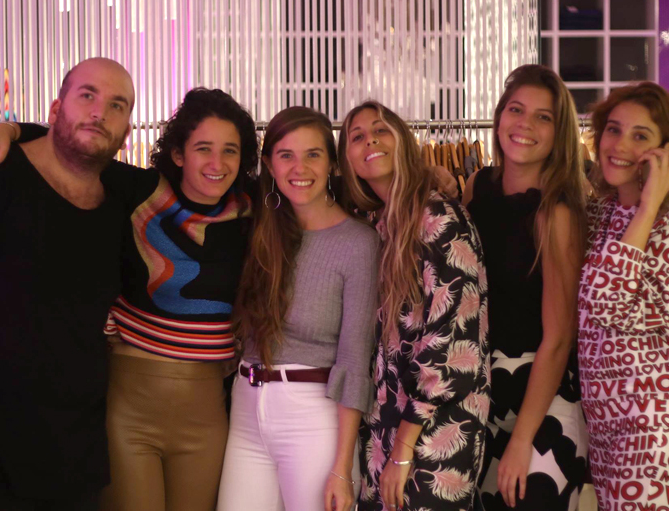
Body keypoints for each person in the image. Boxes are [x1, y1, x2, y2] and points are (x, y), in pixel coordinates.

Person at [0, 88, 259, 511]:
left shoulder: (254, 211)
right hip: (129, 408)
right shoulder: (138, 190)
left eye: (230, 150)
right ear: (178, 154)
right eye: (203, 148)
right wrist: (9, 129)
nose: (217, 163)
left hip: (208, 411)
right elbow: (70, 145)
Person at [0, 58, 134, 510]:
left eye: (116, 105)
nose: (99, 112)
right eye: (87, 95)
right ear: (56, 108)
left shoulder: (120, 200)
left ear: (126, 133)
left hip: (73, 454)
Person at [216, 107, 379, 511]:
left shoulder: (358, 242)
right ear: (269, 164)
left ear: (332, 163)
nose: (299, 168)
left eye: (313, 154)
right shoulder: (256, 226)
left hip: (314, 417)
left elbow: (354, 359)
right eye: (286, 155)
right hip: (246, 408)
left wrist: (342, 467)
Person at [338, 101, 490, 511]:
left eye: (380, 129)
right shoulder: (378, 223)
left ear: (402, 140)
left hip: (437, 429)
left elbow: (454, 341)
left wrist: (404, 448)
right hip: (385, 423)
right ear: (347, 159)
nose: (370, 140)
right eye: (357, 136)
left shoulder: (439, 217)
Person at [577, 82, 669, 511]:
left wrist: (649, 204)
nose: (619, 145)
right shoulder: (601, 210)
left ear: (667, 152)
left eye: (640, 136)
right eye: (613, 129)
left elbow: (607, 303)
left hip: (656, 425)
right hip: (607, 425)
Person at [462, 64, 589, 510]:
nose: (525, 124)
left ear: (559, 133)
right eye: (516, 110)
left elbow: (559, 338)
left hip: (542, 395)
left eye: (543, 117)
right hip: (479, 388)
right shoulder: (478, 187)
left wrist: (521, 440)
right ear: (499, 116)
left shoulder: (557, 210)